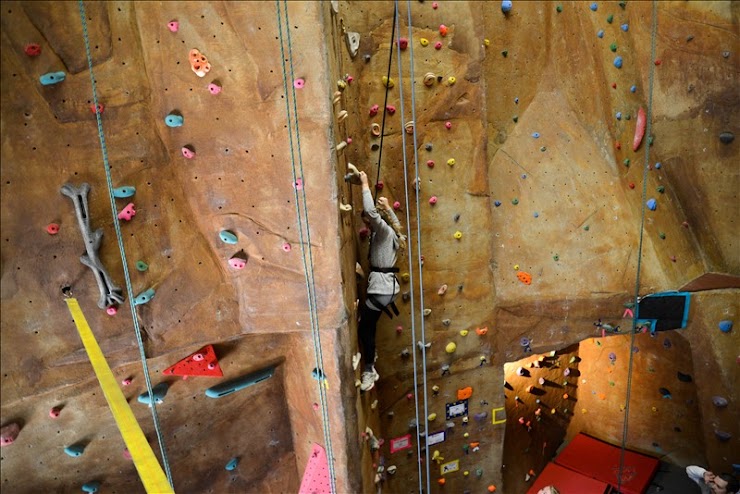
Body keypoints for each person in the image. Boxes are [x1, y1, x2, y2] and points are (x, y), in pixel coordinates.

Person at [357, 171, 405, 391]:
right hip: (384, 287)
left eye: (367, 219)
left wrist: (365, 184)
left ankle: (369, 368)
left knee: (365, 326)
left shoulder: (384, 231)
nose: (366, 220)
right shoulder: (388, 232)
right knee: (368, 324)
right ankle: (371, 354)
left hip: (382, 289)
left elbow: (369, 211)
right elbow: (395, 225)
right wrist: (390, 209)